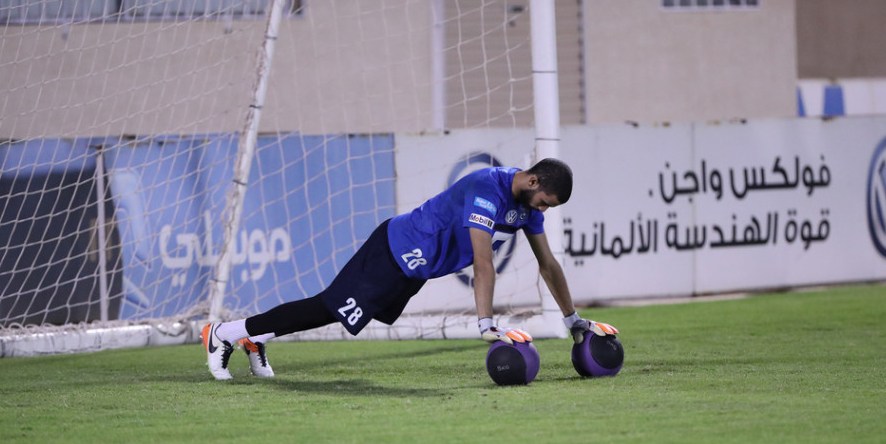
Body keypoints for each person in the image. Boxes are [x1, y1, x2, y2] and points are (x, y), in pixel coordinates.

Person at [202, 157, 618, 380]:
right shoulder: (485, 188)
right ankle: (226, 333)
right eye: (545, 202)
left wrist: (573, 319)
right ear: (532, 183)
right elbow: (483, 260)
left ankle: (254, 337)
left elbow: (548, 263)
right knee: (326, 308)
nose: (544, 210)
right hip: (394, 250)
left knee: (330, 310)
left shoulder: (528, 210)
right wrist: (485, 323)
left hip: (414, 271)